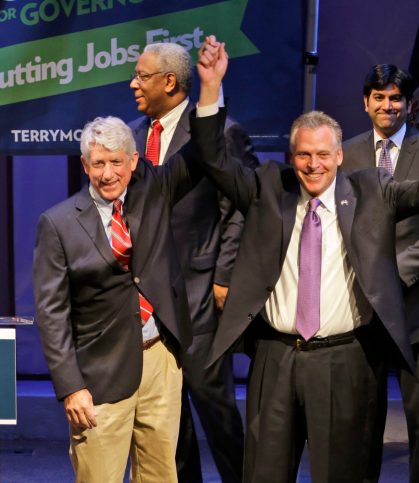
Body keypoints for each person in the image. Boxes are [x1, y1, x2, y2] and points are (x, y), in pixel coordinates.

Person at [193, 37, 419, 483]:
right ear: (291, 157)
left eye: (323, 154)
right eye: (303, 154)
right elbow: (214, 161)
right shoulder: (269, 187)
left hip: (345, 361)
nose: (312, 164)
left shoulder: (371, 190)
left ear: (340, 157)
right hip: (276, 358)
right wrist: (211, 89)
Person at [32, 114, 205, 482]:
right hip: (99, 373)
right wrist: (71, 387)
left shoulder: (153, 195)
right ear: (84, 164)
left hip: (159, 359)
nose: (107, 174)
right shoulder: (58, 223)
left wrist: (210, 91)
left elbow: (202, 149)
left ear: (133, 160)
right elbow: (52, 315)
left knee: (161, 475)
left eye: (115, 162)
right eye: (98, 163)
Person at [128, 41, 257, 483]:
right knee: (168, 418)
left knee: (213, 405)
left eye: (141, 76)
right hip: (148, 298)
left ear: (169, 81)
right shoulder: (131, 137)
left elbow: (241, 207)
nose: (133, 84)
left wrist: (224, 276)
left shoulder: (220, 132)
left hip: (202, 293)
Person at [343, 64, 419, 483]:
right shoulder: (345, 153)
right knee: (362, 425)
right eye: (378, 97)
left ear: (409, 105)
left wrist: (395, 272)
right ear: (366, 102)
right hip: (363, 311)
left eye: (395, 98)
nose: (387, 105)